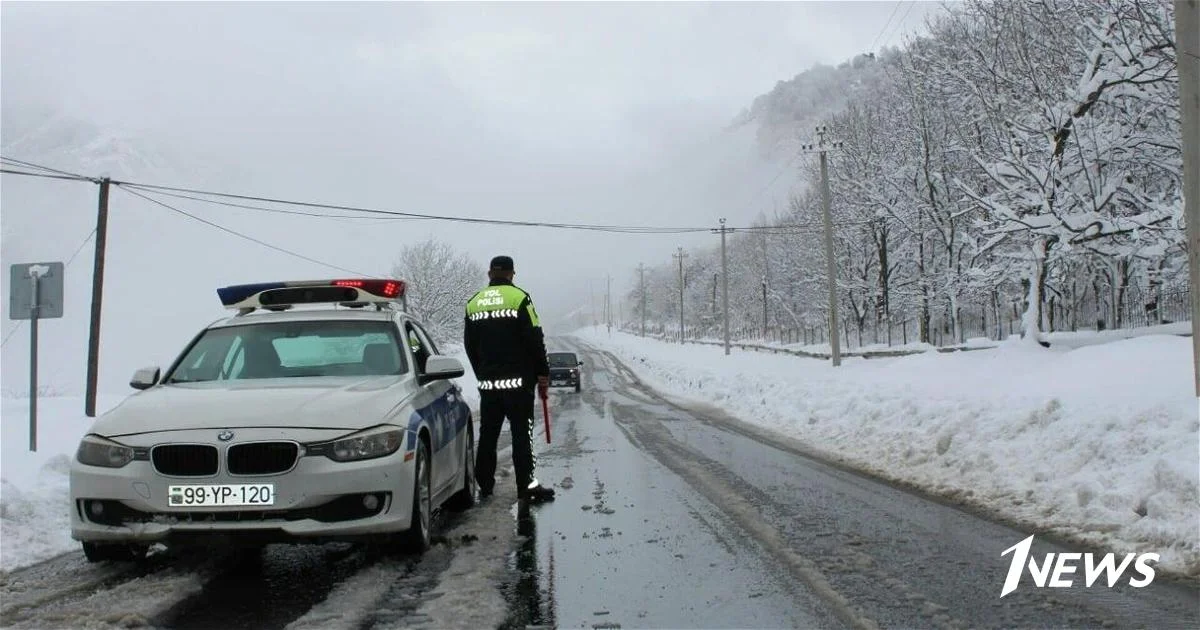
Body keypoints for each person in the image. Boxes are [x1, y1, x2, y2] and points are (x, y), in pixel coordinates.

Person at [463, 255, 556, 504]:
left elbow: (469, 346)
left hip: (489, 385)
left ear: (489, 274)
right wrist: (542, 373)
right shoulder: (520, 299)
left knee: (488, 436)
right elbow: (535, 338)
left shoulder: (473, 303)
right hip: (518, 384)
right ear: (512, 274)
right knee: (521, 436)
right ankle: (526, 486)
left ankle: (484, 485)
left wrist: (482, 372)